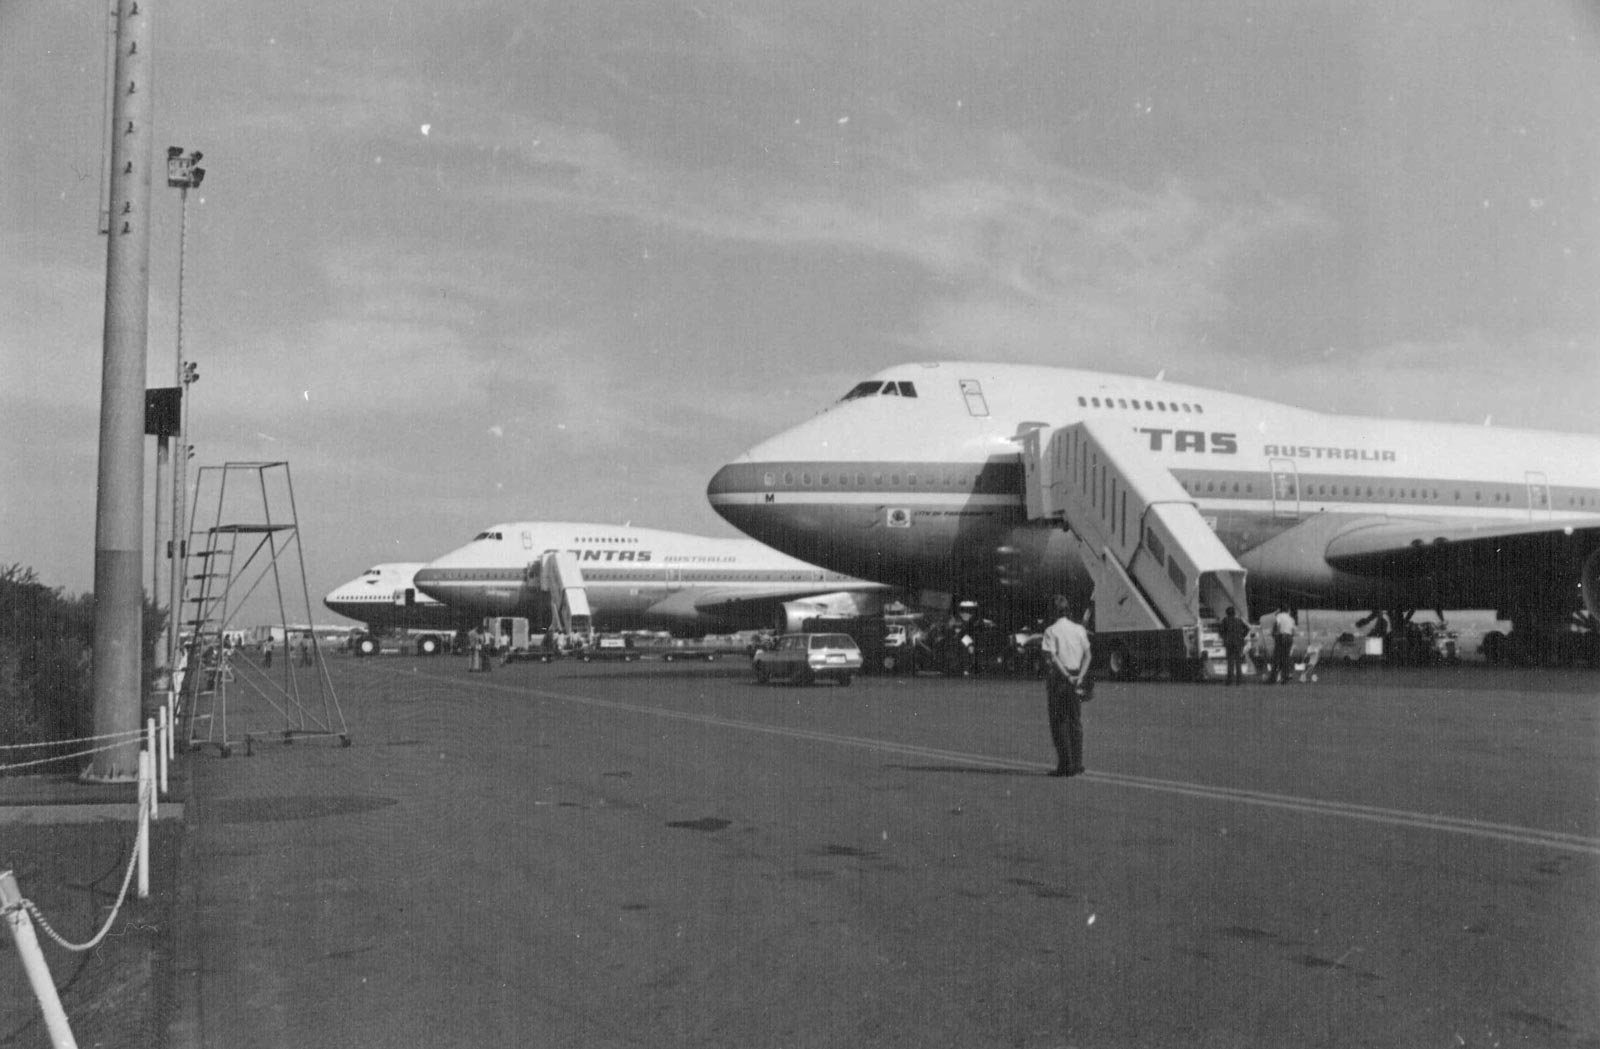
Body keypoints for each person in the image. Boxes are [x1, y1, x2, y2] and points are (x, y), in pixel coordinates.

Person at [1040, 595, 1092, 777]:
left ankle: (1065, 765)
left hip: (1060, 680)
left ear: (1053, 612)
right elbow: (1088, 655)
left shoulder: (1050, 631)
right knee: (1075, 721)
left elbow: (1052, 658)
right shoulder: (1079, 629)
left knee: (1059, 722)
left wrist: (1067, 676)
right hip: (1078, 675)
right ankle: (1077, 763)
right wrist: (1080, 676)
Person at [1218, 606, 1249, 685]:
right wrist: (1242, 635)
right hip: (1239, 643)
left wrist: (1224, 637)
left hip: (1229, 643)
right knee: (1238, 661)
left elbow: (1221, 631)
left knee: (1230, 662)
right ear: (1234, 613)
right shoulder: (1239, 620)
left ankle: (1229, 680)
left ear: (1227, 613)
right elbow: (1247, 628)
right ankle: (1239, 681)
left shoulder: (1225, 620)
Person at [1269, 605, 1297, 684]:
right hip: (1289, 638)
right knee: (1286, 658)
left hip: (1282, 637)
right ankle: (1285, 678)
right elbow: (1293, 631)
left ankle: (1273, 678)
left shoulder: (1279, 616)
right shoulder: (1291, 619)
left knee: (1276, 658)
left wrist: (1276, 634)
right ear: (1288, 610)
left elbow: (1277, 624)